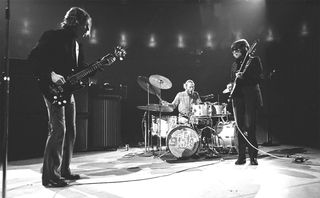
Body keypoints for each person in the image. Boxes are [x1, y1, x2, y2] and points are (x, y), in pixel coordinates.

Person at [28, 7, 92, 187]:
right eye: (85, 26)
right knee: (58, 130)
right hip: (52, 90)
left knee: (70, 131)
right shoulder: (52, 36)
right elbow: (34, 59)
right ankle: (50, 177)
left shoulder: (78, 45)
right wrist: (52, 74)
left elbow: (81, 70)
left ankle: (64, 170)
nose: (87, 30)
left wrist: (97, 68)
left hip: (68, 92)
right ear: (76, 22)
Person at [229, 39, 263, 165]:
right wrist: (230, 85)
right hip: (238, 97)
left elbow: (260, 78)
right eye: (233, 51)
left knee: (250, 126)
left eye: (237, 50)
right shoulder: (233, 65)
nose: (234, 52)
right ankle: (241, 156)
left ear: (244, 49)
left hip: (250, 96)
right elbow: (233, 80)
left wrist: (245, 77)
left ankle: (253, 157)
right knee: (239, 127)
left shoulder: (254, 60)